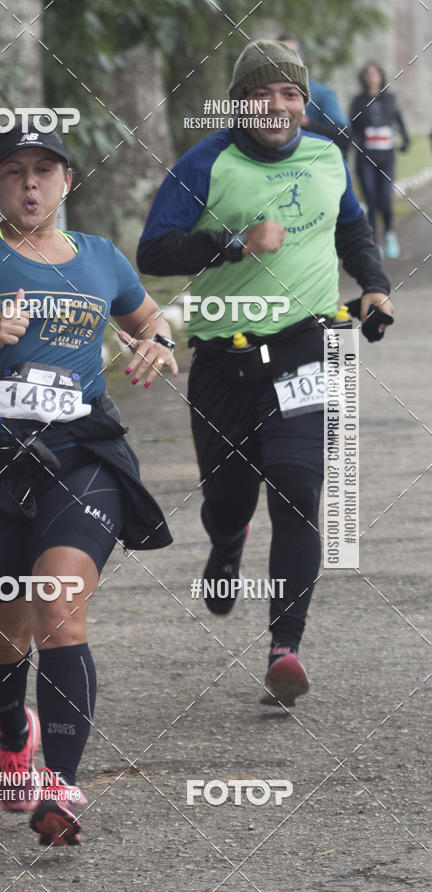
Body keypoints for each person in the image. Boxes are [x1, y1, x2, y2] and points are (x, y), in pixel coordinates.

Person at [0, 125, 176, 846]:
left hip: (80, 455)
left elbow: (150, 319)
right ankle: (14, 726)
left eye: (43, 171)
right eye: (13, 172)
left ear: (66, 182)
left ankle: (62, 784)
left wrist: (157, 342)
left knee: (59, 608)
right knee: (3, 633)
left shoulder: (102, 259)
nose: (29, 184)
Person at [137, 39, 394, 708]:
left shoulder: (326, 156)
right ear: (238, 101)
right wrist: (233, 241)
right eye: (260, 93)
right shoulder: (207, 161)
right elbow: (155, 248)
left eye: (289, 94)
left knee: (297, 489)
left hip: (307, 342)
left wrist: (372, 284)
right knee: (227, 498)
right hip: (224, 358)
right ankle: (226, 545)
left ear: (304, 104)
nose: (276, 106)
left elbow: (351, 228)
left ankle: (285, 647)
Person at [350, 62, 410, 258]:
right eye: (367, 74)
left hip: (386, 157)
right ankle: (374, 241)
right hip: (365, 157)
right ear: (363, 77)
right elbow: (352, 127)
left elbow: (399, 121)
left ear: (381, 76)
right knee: (371, 198)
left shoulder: (390, 99)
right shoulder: (358, 101)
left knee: (385, 197)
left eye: (375, 73)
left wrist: (406, 140)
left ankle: (389, 234)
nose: (371, 77)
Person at [278, 35, 351, 155]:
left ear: (303, 61)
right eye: (280, 55)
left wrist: (306, 123)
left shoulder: (320, 93)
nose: (286, 61)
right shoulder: (258, 95)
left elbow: (344, 137)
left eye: (292, 55)